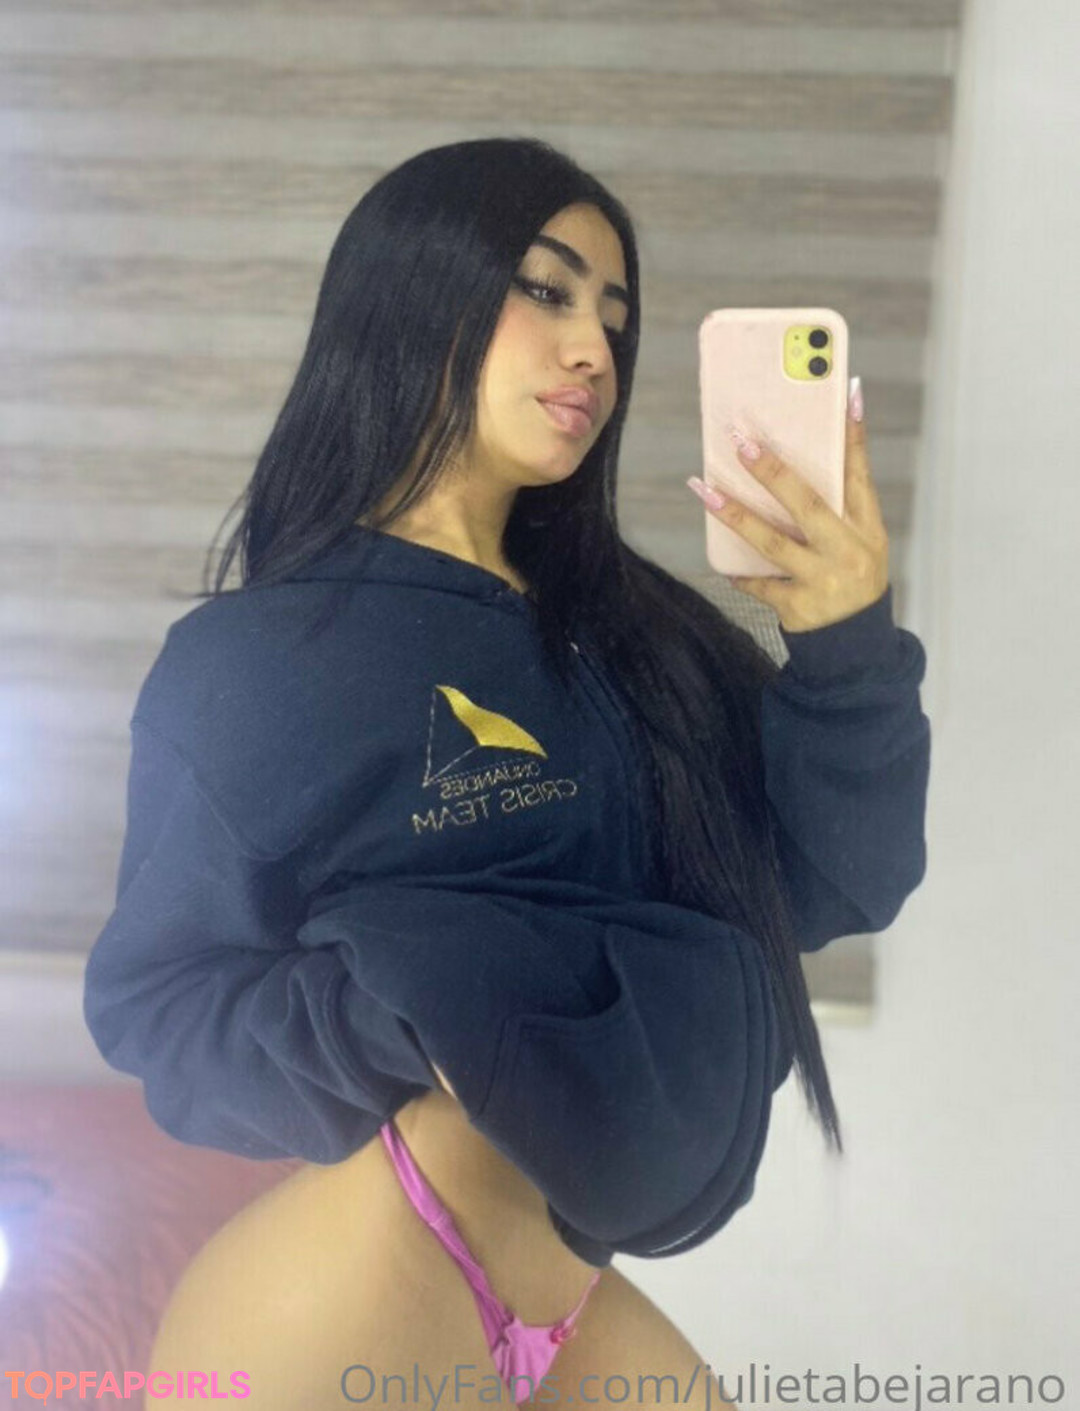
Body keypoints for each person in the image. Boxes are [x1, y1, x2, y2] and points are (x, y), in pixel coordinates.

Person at [83, 138, 930, 1408]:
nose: (595, 349)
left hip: (570, 1283)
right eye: (547, 289)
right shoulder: (253, 667)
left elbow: (836, 884)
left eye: (614, 317)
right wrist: (409, 1021)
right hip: (368, 1261)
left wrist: (845, 642)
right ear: (413, 291)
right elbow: (160, 1011)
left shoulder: (642, 637)